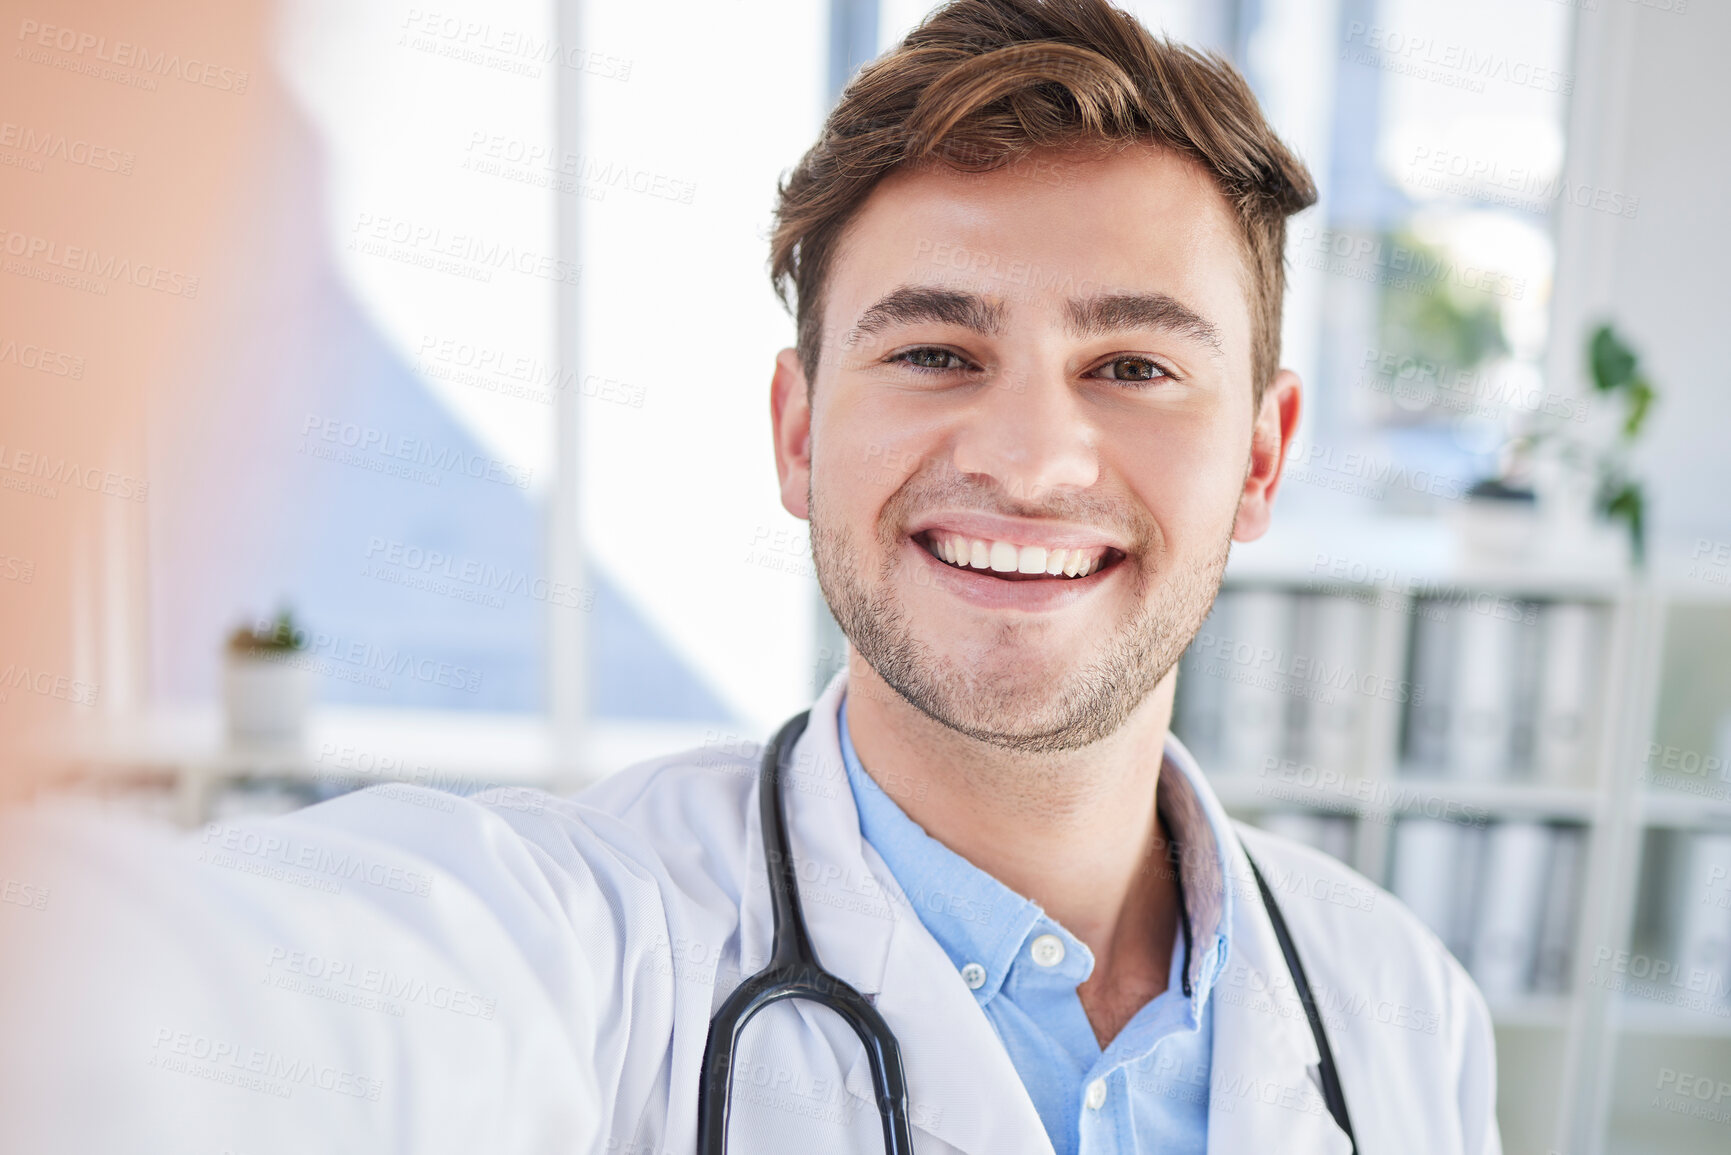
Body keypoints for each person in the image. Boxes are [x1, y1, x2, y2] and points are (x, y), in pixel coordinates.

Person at [0, 1, 1500, 1152]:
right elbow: (148, 1018)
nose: (1036, 458)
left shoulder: (1400, 1011)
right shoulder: (590, 947)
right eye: (934, 351)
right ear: (796, 433)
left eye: (1133, 364)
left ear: (1260, 454)